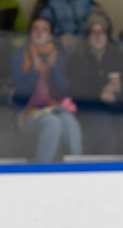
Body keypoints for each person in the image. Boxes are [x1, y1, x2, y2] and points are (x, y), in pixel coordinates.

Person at [67, 11, 123, 156]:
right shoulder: (77, 60)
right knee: (100, 127)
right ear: (87, 37)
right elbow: (74, 93)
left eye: (102, 32)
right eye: (93, 32)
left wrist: (119, 95)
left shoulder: (119, 58)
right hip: (91, 111)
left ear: (108, 35)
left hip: (119, 108)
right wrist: (99, 96)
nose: (98, 36)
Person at [11, 17, 82, 163]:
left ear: (50, 36)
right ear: (30, 34)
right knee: (52, 123)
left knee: (69, 121)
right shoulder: (20, 56)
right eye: (35, 29)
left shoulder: (58, 57)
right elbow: (20, 94)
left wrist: (53, 67)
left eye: (44, 30)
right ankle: (42, 169)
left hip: (54, 108)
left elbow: (63, 90)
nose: (39, 33)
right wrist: (35, 71)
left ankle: (77, 166)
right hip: (28, 113)